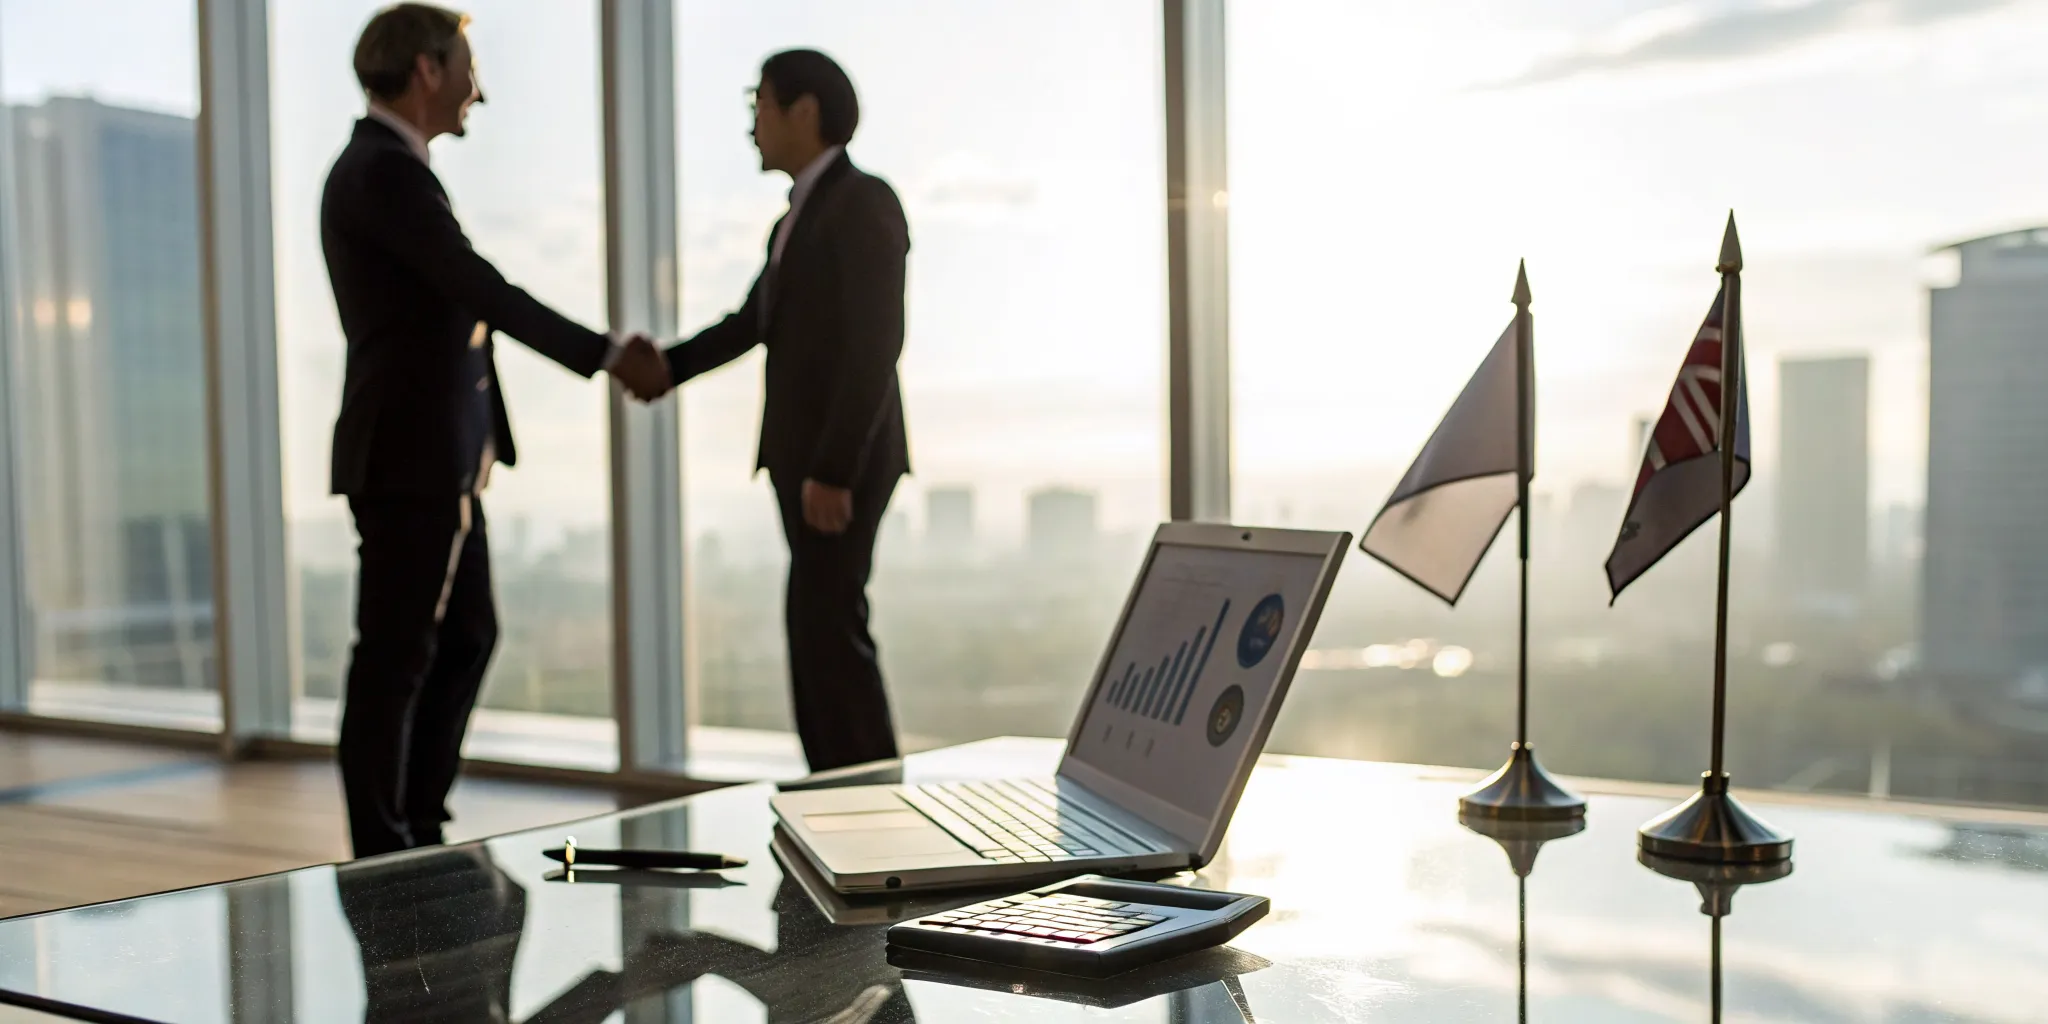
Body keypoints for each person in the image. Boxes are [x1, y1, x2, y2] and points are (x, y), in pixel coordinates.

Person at [323, 3, 670, 858]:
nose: (482, 87)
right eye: (468, 64)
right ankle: (384, 842)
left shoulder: (391, 170)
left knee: (466, 634)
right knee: (396, 657)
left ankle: (417, 818)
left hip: (438, 459)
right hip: (409, 457)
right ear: (428, 70)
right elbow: (478, 287)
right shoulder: (384, 172)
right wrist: (602, 353)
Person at [656, 50, 911, 772]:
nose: (751, 125)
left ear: (805, 111)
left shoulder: (864, 201)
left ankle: (866, 798)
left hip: (842, 466)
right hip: (809, 464)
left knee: (828, 628)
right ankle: (842, 793)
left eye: (759, 105)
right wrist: (667, 366)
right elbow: (752, 321)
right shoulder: (796, 217)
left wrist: (833, 470)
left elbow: (875, 344)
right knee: (819, 629)